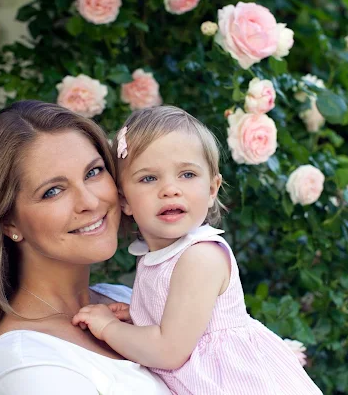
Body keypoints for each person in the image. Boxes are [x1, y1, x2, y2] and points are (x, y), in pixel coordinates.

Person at [72, 106, 323, 395]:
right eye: (149, 178)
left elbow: (168, 350)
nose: (170, 189)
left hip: (239, 383)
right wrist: (141, 317)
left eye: (187, 174)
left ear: (212, 188)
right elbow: (184, 322)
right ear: (124, 199)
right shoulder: (159, 254)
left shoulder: (200, 257)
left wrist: (108, 328)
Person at [0, 100, 171, 395]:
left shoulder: (125, 300)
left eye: (93, 172)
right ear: (9, 223)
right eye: (53, 191)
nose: (90, 202)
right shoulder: (26, 367)